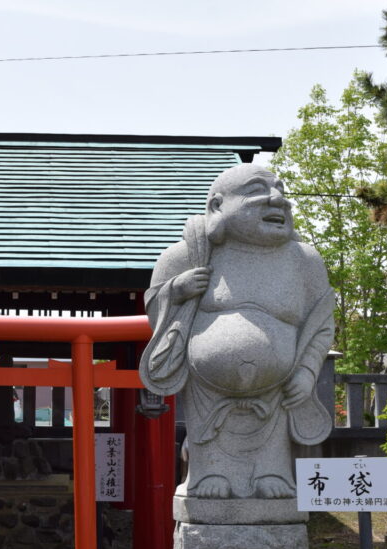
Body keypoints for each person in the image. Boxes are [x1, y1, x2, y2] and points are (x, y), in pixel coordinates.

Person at [139, 164, 334, 499]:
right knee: (210, 460)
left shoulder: (304, 260)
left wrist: (305, 371)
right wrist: (178, 290)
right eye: (258, 190)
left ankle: (271, 472)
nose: (278, 200)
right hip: (207, 390)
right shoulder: (190, 254)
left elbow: (321, 324)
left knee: (272, 466)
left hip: (277, 391)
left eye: (282, 191)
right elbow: (155, 305)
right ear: (217, 206)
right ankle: (207, 472)